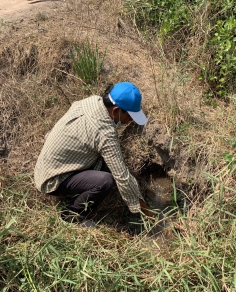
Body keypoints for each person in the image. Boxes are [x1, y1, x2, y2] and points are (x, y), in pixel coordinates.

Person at [34, 82, 154, 227]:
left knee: (106, 163)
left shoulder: (90, 101)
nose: (132, 120)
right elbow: (122, 177)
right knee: (105, 181)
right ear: (116, 111)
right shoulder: (104, 134)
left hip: (44, 165)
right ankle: (72, 216)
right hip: (52, 179)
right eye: (130, 116)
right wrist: (147, 212)